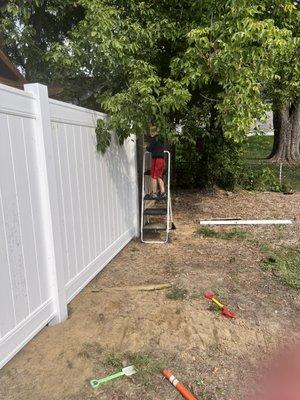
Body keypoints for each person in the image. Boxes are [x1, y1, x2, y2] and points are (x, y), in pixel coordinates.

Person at [145, 125, 167, 200]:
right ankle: (163, 192)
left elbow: (150, 148)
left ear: (155, 132)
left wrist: (146, 147)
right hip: (161, 160)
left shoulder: (154, 139)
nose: (151, 133)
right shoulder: (161, 139)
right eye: (150, 131)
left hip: (156, 159)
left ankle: (154, 193)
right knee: (159, 176)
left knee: (153, 176)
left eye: (152, 131)